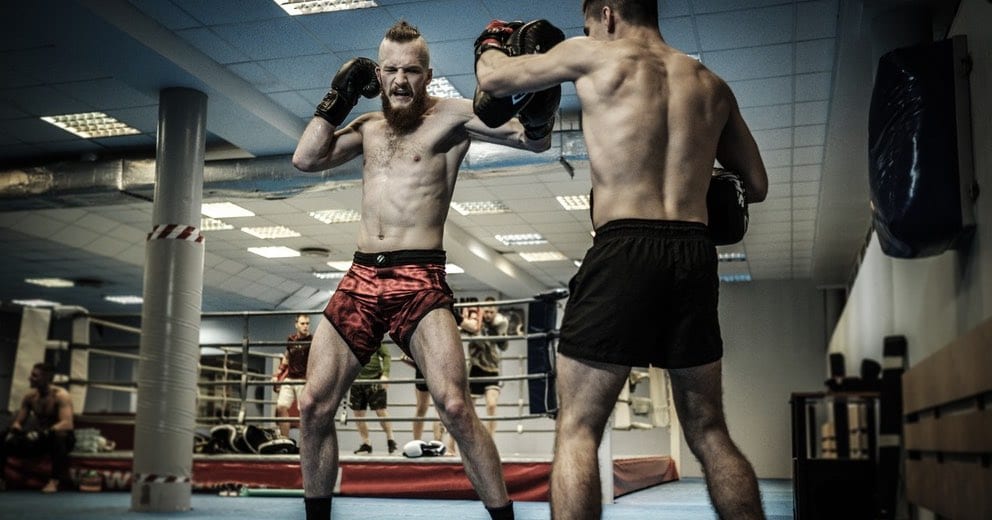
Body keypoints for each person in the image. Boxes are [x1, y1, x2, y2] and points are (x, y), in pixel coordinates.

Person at [475, 3, 769, 519]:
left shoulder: (594, 54)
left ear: (606, 14)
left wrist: (491, 42)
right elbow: (757, 186)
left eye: (588, 25)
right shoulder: (711, 83)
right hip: (694, 256)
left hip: (624, 247)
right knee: (709, 431)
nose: (588, 33)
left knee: (579, 428)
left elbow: (497, 83)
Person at [291, 19, 553, 520]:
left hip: (420, 278)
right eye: (389, 69)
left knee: (455, 407)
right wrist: (337, 98)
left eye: (411, 70)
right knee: (312, 407)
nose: (399, 80)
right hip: (361, 276)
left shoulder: (453, 116)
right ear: (378, 73)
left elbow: (534, 141)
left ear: (427, 74)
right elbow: (306, 158)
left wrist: (539, 98)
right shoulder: (367, 127)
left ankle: (503, 518)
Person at [0, 362, 75, 493]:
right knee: (3, 436)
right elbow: (19, 422)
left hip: (57, 437)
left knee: (60, 438)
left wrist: (44, 433)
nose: (30, 378)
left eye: (35, 376)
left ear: (47, 378)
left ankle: (54, 482)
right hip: (39, 438)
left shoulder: (60, 395)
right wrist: (15, 430)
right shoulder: (30, 397)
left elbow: (67, 423)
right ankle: (1, 480)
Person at [468, 298, 509, 436]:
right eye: (486, 311)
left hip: (492, 369)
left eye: (491, 312)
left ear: (496, 312)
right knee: (467, 410)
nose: (489, 315)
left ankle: (490, 440)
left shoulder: (498, 325)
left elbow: (503, 347)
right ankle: (453, 446)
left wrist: (502, 333)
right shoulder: (475, 324)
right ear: (482, 311)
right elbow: (474, 339)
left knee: (491, 405)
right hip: (476, 368)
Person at [348, 343, 397, 455]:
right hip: (356, 381)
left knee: (381, 411)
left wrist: (385, 374)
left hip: (375, 379)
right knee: (358, 414)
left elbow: (386, 355)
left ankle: (391, 439)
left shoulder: (373, 336)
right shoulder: (349, 337)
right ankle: (366, 444)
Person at [274, 313, 312, 439]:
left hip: (303, 381)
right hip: (290, 378)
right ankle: (285, 440)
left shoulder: (312, 340)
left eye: (307, 323)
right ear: (296, 325)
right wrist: (278, 374)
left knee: (304, 413)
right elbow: (287, 358)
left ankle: (305, 445)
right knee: (281, 407)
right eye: (302, 323)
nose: (305, 326)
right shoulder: (291, 339)